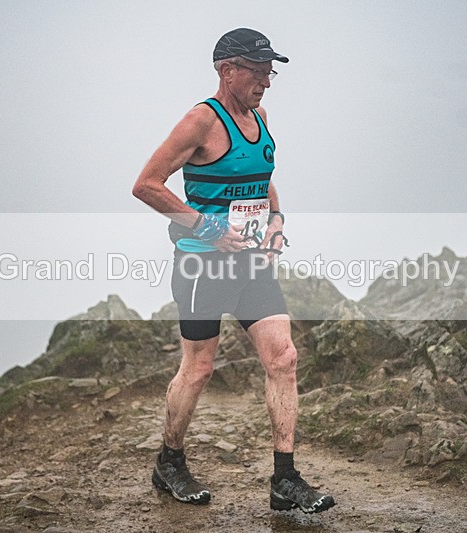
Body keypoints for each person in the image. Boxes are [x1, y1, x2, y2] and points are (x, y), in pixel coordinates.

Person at [132, 28, 335, 514]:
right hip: (203, 266)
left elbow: (262, 181)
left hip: (251, 264)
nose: (267, 81)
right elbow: (146, 185)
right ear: (227, 70)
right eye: (258, 71)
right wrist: (206, 227)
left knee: (283, 358)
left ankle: (284, 480)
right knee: (199, 369)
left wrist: (277, 224)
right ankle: (170, 460)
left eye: (271, 72)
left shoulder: (260, 118)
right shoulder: (200, 121)